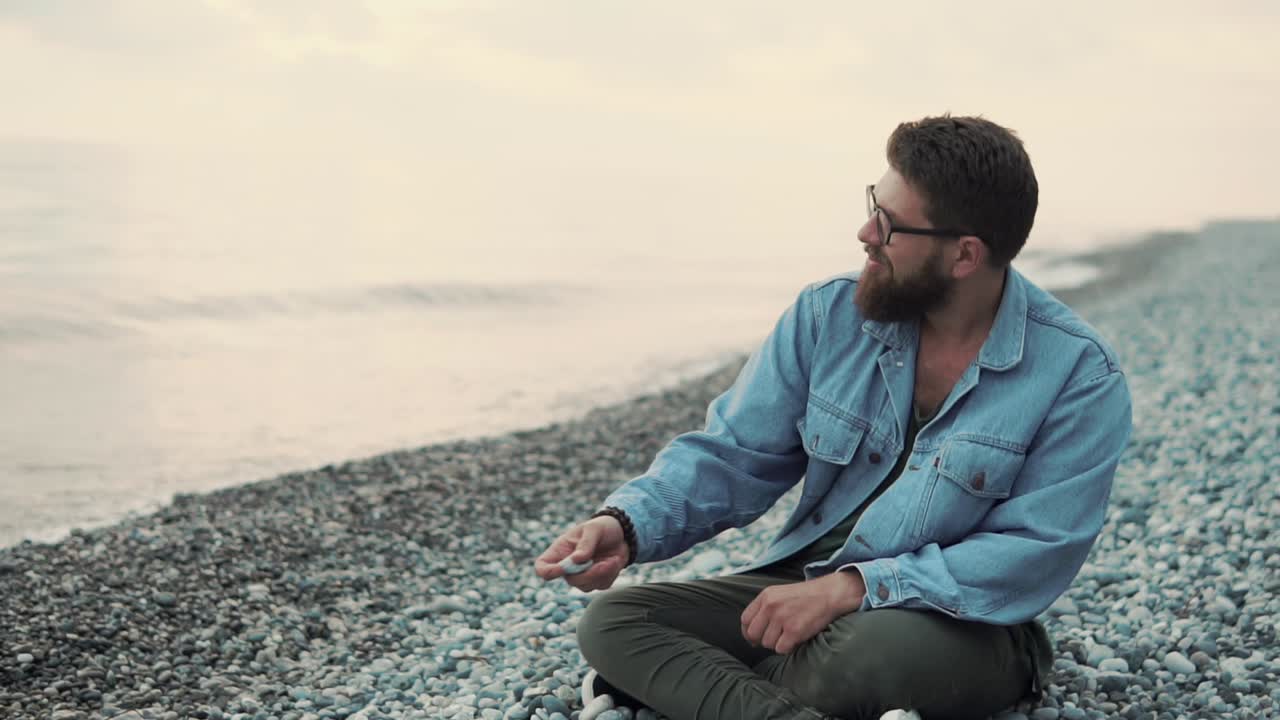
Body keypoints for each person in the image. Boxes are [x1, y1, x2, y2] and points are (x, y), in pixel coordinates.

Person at [534, 115, 1132, 720]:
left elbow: (1032, 552)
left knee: (871, 656)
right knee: (615, 621)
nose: (866, 232)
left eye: (891, 224)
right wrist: (628, 524)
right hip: (803, 581)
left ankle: (682, 689)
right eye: (875, 203)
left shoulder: (1080, 377)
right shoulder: (828, 315)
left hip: (949, 621)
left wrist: (852, 589)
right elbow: (734, 453)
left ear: (964, 255)